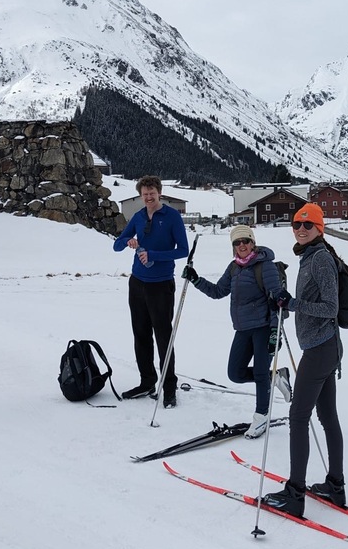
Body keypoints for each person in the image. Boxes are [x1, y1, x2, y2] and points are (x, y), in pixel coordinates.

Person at [263, 203, 346, 518]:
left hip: (320, 349)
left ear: (319, 228)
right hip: (323, 348)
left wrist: (294, 303)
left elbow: (330, 308)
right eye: (297, 224)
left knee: (298, 418)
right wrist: (288, 301)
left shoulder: (321, 258)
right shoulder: (309, 256)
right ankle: (335, 486)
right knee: (327, 417)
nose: (300, 229)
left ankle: (294, 494)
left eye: (307, 225)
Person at [181, 224, 292, 438]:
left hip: (263, 328)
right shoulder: (234, 268)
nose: (242, 245)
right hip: (242, 329)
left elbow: (277, 300)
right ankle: (276, 377)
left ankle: (261, 416)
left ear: (253, 243)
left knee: (260, 373)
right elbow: (218, 291)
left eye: (245, 241)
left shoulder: (265, 266)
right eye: (237, 242)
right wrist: (196, 279)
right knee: (235, 373)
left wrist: (274, 332)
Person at [113, 175, 189, 408]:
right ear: (140, 195)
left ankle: (169, 388)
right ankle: (147, 382)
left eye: (152, 193)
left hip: (161, 284)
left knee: (164, 337)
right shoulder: (138, 217)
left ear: (159, 193)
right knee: (141, 335)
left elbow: (183, 250)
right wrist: (128, 241)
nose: (148, 197)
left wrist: (154, 255)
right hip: (137, 283)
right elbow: (116, 245)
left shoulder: (172, 216)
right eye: (145, 194)